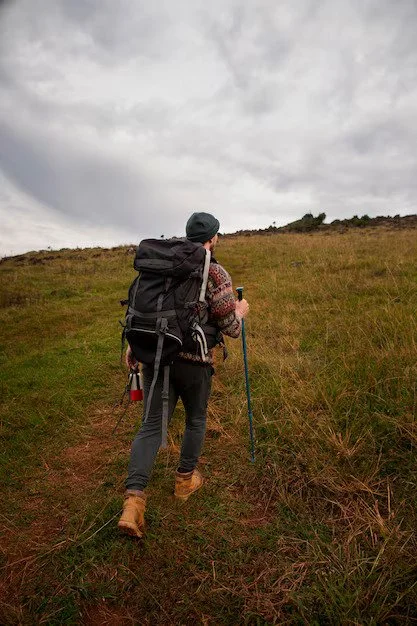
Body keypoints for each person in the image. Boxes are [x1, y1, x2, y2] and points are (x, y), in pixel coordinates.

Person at [118, 212, 249, 538]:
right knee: (195, 419)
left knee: (150, 426)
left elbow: (143, 311)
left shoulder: (160, 266)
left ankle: (133, 504)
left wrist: (135, 347)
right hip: (195, 360)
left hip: (157, 355)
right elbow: (230, 328)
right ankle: (185, 481)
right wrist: (241, 312)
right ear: (213, 238)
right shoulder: (215, 272)